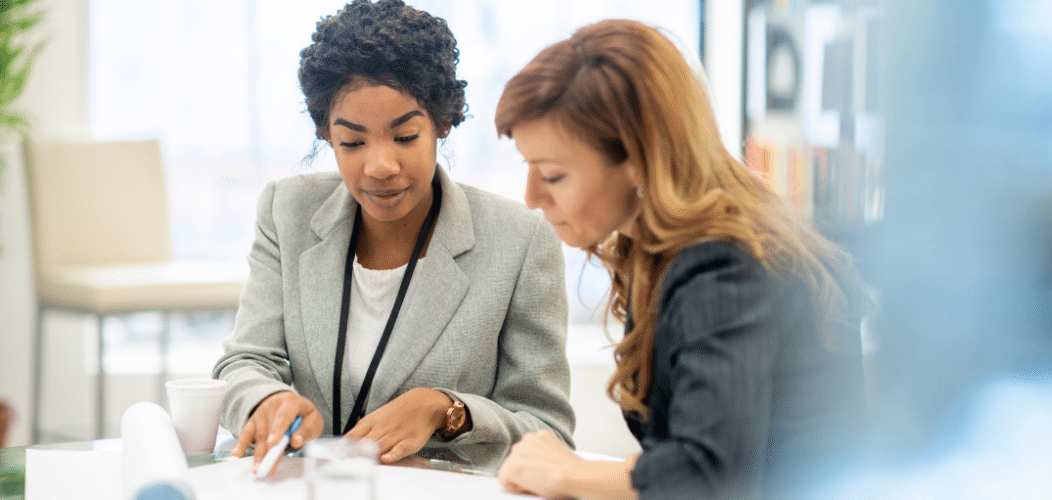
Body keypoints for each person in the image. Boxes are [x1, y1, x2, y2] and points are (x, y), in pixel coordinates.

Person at [494, 19, 867, 500]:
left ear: (636, 158)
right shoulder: (662, 251)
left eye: (553, 175)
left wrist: (566, 472)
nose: (530, 197)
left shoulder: (723, 270)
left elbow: (708, 473)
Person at [212, 0, 574, 474]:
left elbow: (549, 431)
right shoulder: (287, 211)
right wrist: (266, 399)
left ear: (443, 123)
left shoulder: (521, 241)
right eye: (353, 143)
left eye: (405, 137)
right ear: (326, 134)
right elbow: (245, 361)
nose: (380, 166)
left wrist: (447, 410)